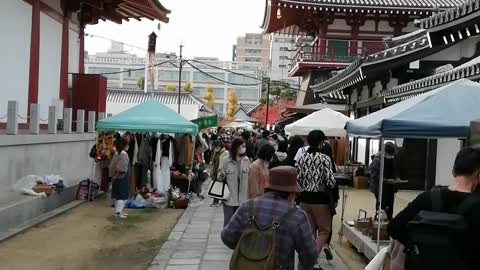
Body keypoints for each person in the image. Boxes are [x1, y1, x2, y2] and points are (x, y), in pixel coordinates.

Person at [387, 147, 480, 270]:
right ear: (478, 174)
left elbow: (393, 227)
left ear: (453, 171)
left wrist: (415, 245)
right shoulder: (477, 207)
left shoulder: (426, 198)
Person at [221, 166, 319, 270]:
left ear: (268, 188)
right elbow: (310, 254)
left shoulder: (247, 206)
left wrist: (249, 249)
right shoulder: (297, 216)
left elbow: (227, 237)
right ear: (291, 193)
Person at [296, 130, 336, 267]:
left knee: (311, 231)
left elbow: (297, 179)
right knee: (324, 230)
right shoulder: (325, 158)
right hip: (320, 199)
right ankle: (312, 257)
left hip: (304, 198)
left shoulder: (301, 158)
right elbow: (330, 181)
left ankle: (313, 262)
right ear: (321, 142)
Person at [218, 137, 251, 227]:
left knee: (241, 223)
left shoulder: (246, 160)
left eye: (245, 146)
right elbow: (219, 177)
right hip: (229, 198)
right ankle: (227, 239)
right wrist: (221, 175)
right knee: (228, 223)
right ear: (236, 147)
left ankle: (237, 240)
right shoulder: (226, 160)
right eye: (242, 146)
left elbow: (249, 176)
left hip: (242, 198)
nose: (244, 148)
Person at [369, 142, 399, 220]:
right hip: (380, 187)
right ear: (385, 152)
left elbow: (393, 171)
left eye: (392, 155)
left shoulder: (391, 158)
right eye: (391, 154)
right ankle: (378, 223)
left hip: (390, 187)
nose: (392, 156)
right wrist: (386, 180)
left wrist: (396, 178)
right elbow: (374, 176)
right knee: (381, 208)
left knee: (390, 207)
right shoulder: (377, 159)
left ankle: (389, 223)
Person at [320, 142, 339, 261]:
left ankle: (316, 244)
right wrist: (336, 198)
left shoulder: (318, 161)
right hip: (329, 196)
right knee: (328, 223)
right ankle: (326, 244)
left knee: (316, 223)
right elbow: (334, 184)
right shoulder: (332, 164)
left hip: (316, 195)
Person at [109, 137, 130, 219]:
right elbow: (121, 169)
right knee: (122, 196)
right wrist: (115, 177)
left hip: (116, 177)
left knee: (118, 195)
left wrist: (113, 177)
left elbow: (113, 166)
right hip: (121, 178)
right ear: (125, 145)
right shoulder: (124, 155)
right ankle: (118, 212)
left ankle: (119, 211)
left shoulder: (117, 153)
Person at [210, 140, 228, 207]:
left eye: (216, 147)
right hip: (215, 172)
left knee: (219, 187)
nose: (214, 148)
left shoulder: (225, 153)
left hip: (221, 173)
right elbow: (213, 162)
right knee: (216, 187)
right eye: (214, 147)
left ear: (220, 146)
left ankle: (218, 201)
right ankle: (216, 201)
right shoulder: (216, 152)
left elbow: (225, 164)